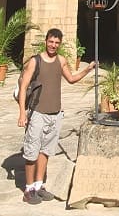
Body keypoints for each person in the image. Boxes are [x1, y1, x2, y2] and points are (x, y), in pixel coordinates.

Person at [17, 28, 95, 205]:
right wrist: (22, 112)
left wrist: (88, 69)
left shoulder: (61, 60)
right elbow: (23, 87)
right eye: (51, 42)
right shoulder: (35, 62)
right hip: (37, 113)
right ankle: (28, 189)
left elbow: (72, 79)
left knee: (45, 151)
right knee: (31, 152)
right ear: (46, 41)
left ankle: (39, 186)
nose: (53, 45)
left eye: (57, 43)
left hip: (55, 114)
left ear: (60, 44)